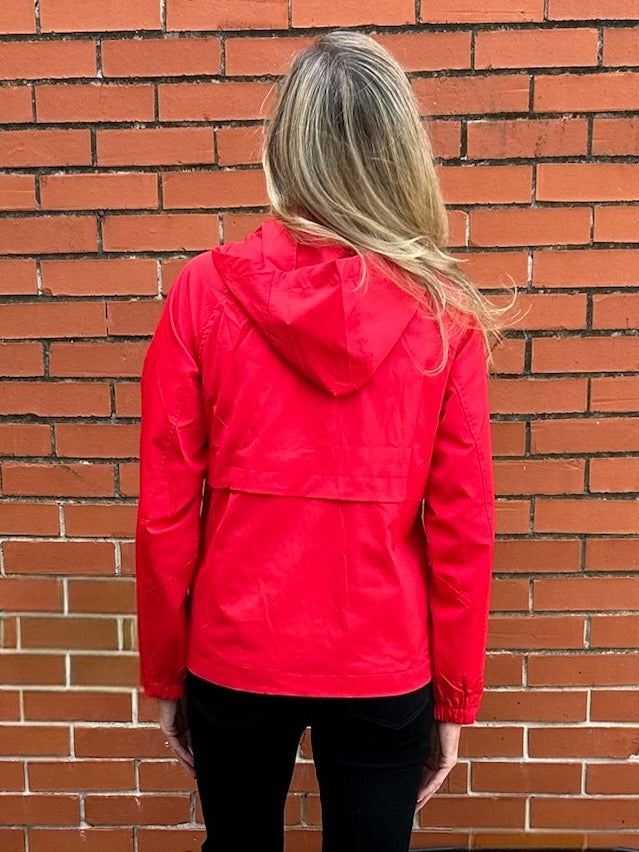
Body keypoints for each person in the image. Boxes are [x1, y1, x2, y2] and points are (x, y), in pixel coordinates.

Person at [135, 29, 508, 852]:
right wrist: (453, 698)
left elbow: (166, 509)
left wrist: (164, 672)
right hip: (382, 656)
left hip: (236, 650)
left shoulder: (202, 293)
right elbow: (462, 526)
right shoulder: (441, 313)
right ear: (398, 152)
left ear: (285, 146)